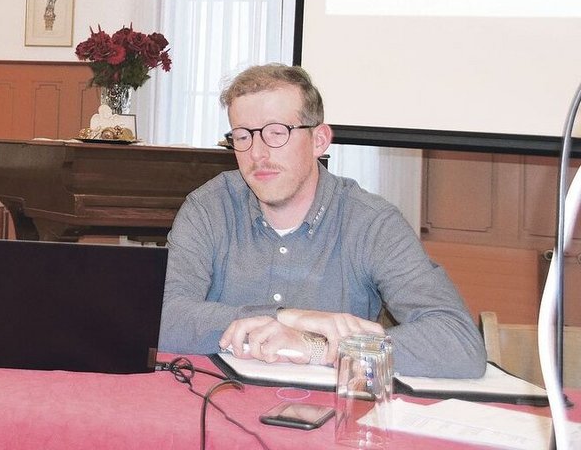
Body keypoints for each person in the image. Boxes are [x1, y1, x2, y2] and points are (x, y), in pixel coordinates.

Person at [159, 63, 487, 378]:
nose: (257, 153)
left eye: (276, 133)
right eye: (243, 136)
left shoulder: (372, 223)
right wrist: (286, 317)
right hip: (218, 408)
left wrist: (320, 346)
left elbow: (458, 341)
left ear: (319, 140)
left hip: (330, 419)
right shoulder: (208, 209)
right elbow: (159, 316)